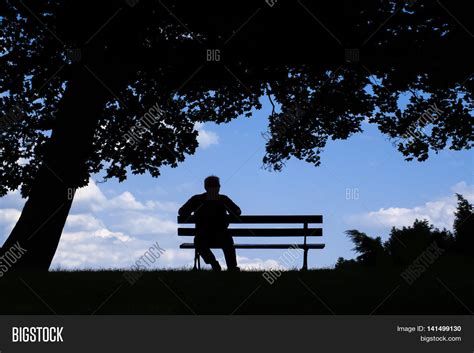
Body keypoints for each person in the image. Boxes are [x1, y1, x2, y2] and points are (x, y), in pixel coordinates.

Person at [179, 175, 241, 272]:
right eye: (215, 186)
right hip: (221, 235)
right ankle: (231, 267)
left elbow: (182, 212)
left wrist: (192, 212)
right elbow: (237, 211)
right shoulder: (223, 199)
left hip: (203, 235)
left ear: (205, 187)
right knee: (227, 241)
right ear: (219, 187)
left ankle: (214, 263)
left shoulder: (197, 199)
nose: (215, 188)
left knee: (199, 242)